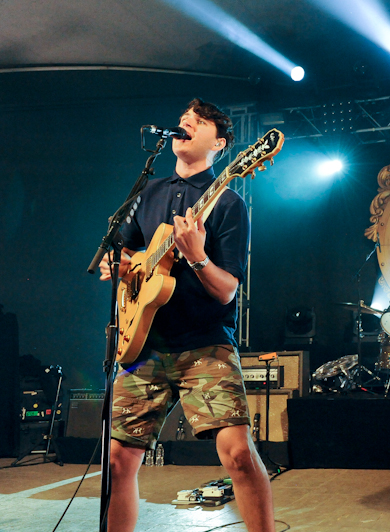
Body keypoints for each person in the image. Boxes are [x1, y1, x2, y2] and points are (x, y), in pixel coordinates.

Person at [99, 98, 275, 532]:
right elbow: (122, 248)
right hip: (145, 343)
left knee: (236, 453)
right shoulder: (149, 191)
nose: (184, 126)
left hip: (204, 343)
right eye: (182, 121)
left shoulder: (229, 202)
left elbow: (227, 290)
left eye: (196, 123)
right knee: (118, 463)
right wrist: (120, 266)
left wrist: (197, 257)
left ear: (221, 143)